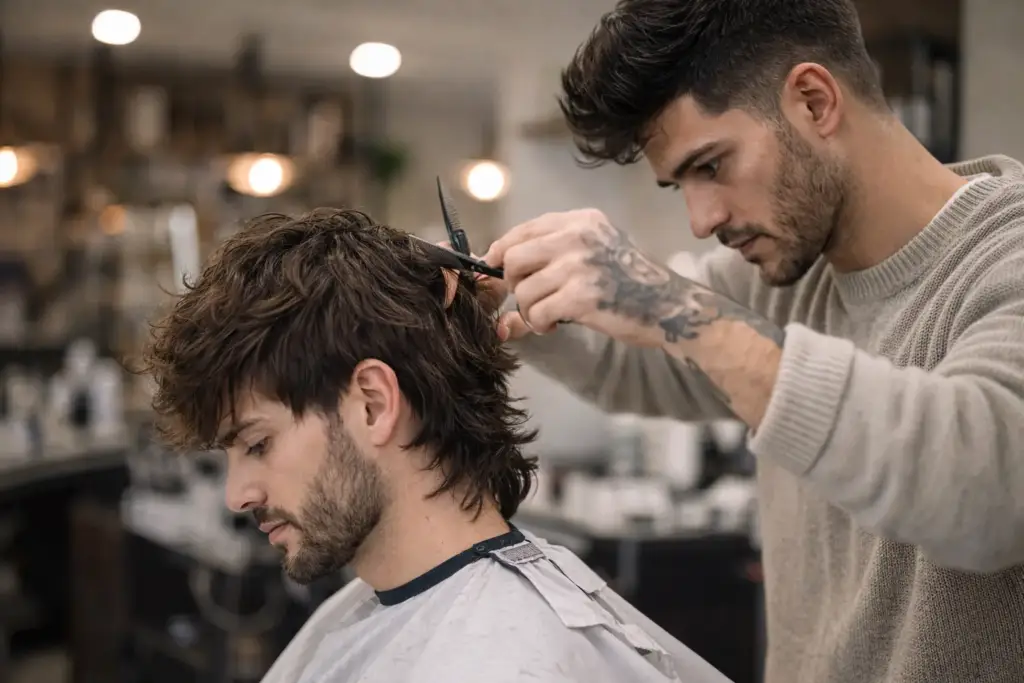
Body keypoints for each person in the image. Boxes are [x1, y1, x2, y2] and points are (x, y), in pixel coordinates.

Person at [477, 1, 1024, 682]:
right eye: (680, 184)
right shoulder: (780, 274)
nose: (702, 220)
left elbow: (987, 492)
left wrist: (676, 307)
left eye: (711, 165)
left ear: (814, 101)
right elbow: (642, 362)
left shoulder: (1007, 256)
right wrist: (506, 301)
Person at [139, 208, 732, 683]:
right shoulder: (367, 612)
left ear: (373, 403)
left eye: (258, 444)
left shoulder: (516, 660)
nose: (237, 495)